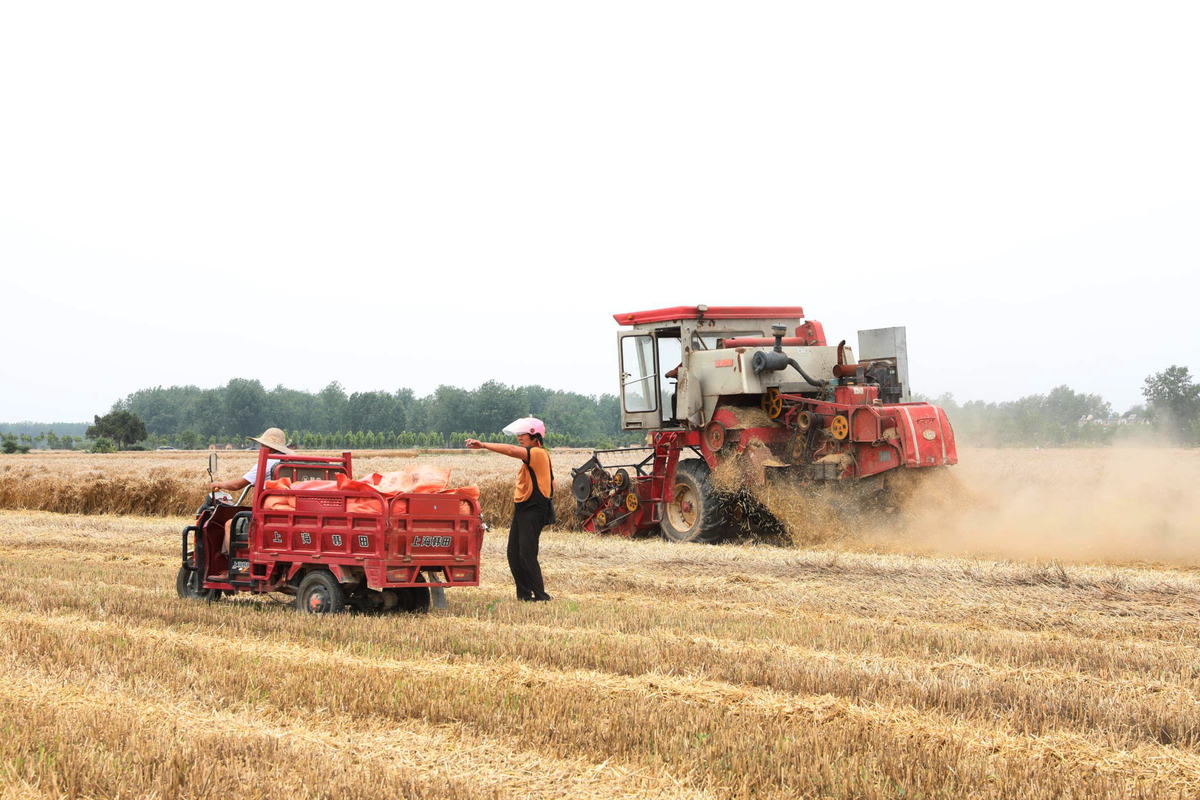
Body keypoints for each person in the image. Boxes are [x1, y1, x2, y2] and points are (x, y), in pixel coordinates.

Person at [465, 417, 553, 602]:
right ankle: (524, 595)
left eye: (524, 434)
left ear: (535, 436)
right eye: (519, 434)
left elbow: (512, 451)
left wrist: (483, 445)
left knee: (527, 555)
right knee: (513, 554)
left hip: (534, 508)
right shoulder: (533, 456)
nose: (519, 438)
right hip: (523, 508)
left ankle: (542, 597)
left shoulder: (537, 453)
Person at [209, 426, 294, 494]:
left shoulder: (267, 463)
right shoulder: (290, 461)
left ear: (270, 448)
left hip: (269, 504)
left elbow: (237, 485)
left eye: (262, 445)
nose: (260, 448)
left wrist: (218, 484)